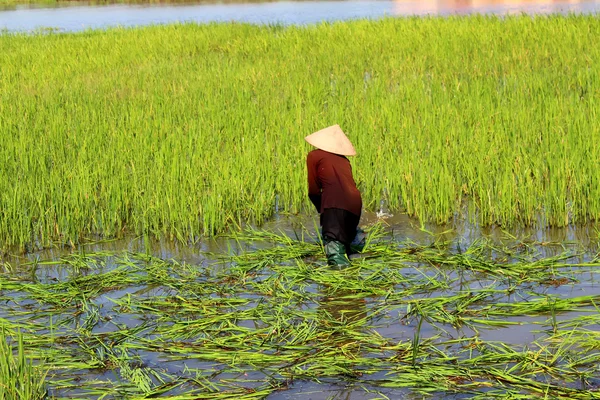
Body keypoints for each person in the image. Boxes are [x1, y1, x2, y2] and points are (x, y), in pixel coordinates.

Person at [305, 125, 362, 266]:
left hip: (335, 204)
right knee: (345, 248)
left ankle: (342, 284)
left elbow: (313, 189)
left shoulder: (314, 156)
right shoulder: (344, 160)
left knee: (335, 253)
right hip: (355, 205)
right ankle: (354, 277)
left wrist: (322, 209)